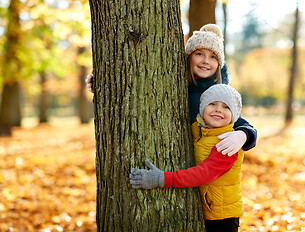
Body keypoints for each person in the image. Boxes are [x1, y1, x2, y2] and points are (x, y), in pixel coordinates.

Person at [86, 24, 257, 155]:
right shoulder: (174, 81)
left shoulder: (218, 94)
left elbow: (242, 123)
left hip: (209, 163)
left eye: (213, 57)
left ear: (219, 65)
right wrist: (103, 79)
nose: (206, 61)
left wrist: (242, 135)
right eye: (199, 54)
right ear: (188, 57)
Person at [130, 84, 245, 232]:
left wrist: (162, 179)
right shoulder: (197, 130)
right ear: (202, 107)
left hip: (223, 217)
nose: (218, 109)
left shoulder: (228, 143)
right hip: (207, 209)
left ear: (234, 115)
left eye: (226, 107)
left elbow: (204, 174)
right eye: (212, 103)